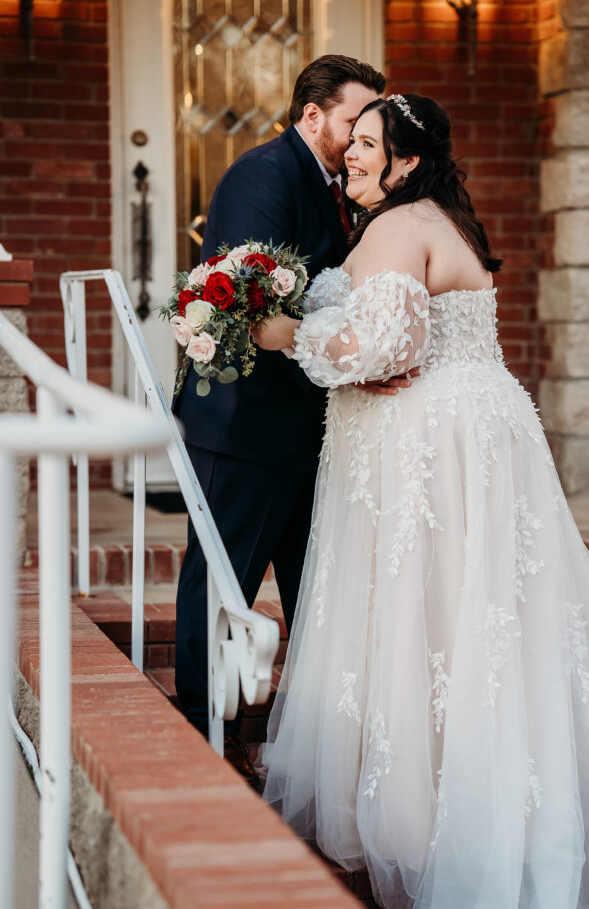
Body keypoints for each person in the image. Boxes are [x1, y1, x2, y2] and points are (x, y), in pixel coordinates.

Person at [254, 94, 589, 908]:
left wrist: (284, 335)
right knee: (483, 617)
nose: (351, 152)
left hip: (425, 440)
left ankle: (429, 819)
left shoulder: (393, 227)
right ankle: (495, 798)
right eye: (353, 139)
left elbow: (387, 345)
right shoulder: (449, 219)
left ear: (407, 161)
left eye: (369, 144)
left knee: (432, 619)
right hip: (479, 429)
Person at [173, 55, 387, 775]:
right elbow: (245, 295)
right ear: (312, 115)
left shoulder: (343, 187)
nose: (364, 136)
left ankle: (316, 742)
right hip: (247, 422)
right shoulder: (264, 174)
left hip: (311, 427)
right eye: (354, 121)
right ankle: (202, 735)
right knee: (223, 579)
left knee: (315, 589)